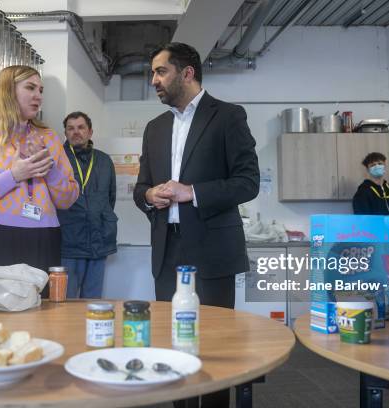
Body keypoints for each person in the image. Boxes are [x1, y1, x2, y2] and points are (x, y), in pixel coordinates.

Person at [133, 42, 260, 407]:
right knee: (173, 342)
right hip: (167, 249)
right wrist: (149, 195)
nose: (153, 80)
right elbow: (142, 186)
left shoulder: (228, 116)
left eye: (160, 72)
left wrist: (194, 192)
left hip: (212, 249)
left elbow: (247, 182)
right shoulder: (155, 127)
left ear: (187, 73)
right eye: (153, 73)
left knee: (213, 345)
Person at [0, 65, 79, 296]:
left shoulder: (48, 137)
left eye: (40, 90)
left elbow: (67, 199)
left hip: (44, 238)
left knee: (43, 317)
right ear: (7, 90)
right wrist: (13, 176)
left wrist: (48, 168)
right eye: (30, 87)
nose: (38, 96)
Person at [57, 111, 117, 299]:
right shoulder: (57, 159)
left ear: (90, 132)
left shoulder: (104, 160)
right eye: (70, 128)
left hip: (99, 240)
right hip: (69, 242)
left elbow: (110, 197)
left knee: (92, 301)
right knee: (65, 302)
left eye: (81, 127)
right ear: (65, 133)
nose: (76, 132)